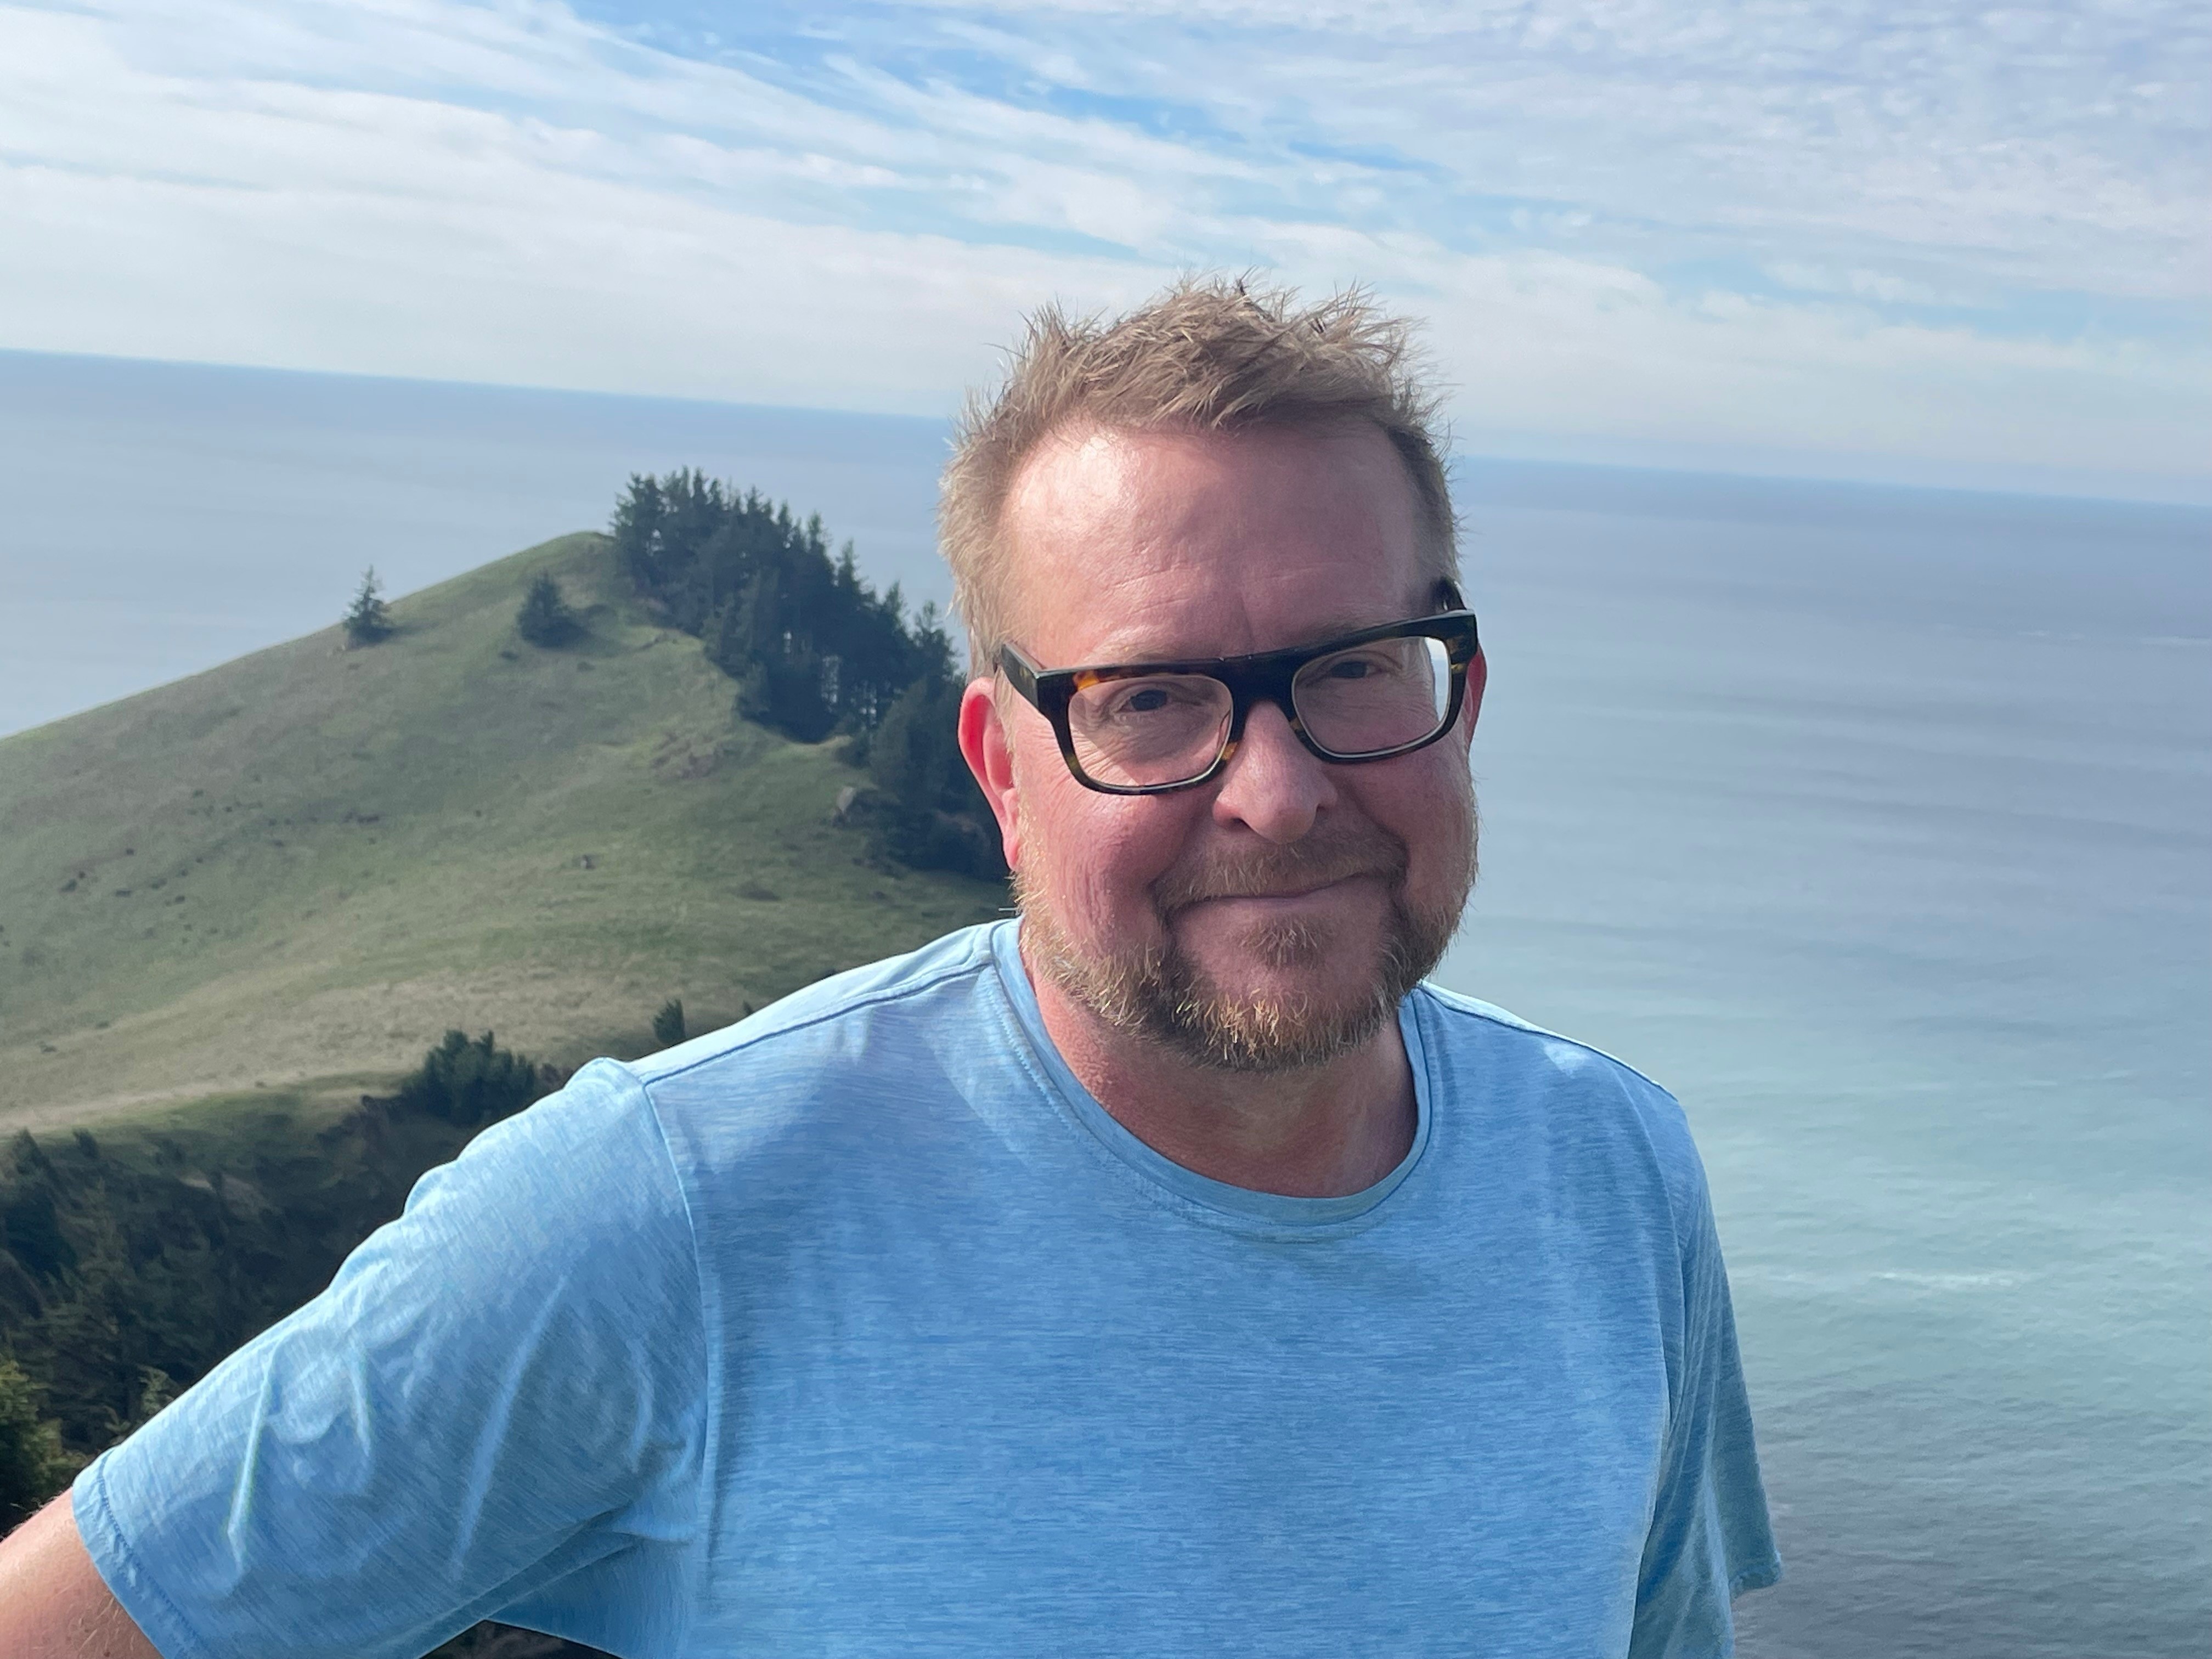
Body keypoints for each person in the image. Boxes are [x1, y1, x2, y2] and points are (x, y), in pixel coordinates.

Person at [0, 279, 1779, 1657]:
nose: (1283, 787)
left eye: (1358, 666)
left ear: (1459, 687)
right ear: (1001, 772)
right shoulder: (675, 1206)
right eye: (1152, 697)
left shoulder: (1612, 1172)